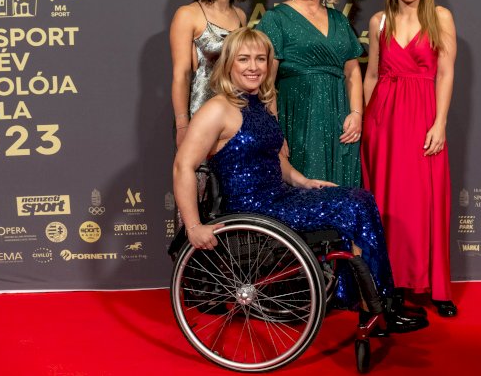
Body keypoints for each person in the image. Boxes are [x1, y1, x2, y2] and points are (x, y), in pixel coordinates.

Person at [173, 27, 427, 332]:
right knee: (353, 207)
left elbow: (275, 160)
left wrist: (304, 181)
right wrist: (193, 226)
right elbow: (183, 166)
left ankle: (375, 303)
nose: (254, 67)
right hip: (255, 209)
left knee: (359, 198)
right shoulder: (217, 109)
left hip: (279, 196)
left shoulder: (257, 104)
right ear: (228, 64)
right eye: (244, 59)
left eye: (260, 59)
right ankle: (376, 307)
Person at [361, 0, 458, 317]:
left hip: (423, 118)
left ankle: (436, 287)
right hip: (383, 122)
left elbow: (445, 73)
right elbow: (372, 75)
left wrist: (440, 122)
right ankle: (394, 284)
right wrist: (369, 123)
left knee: (424, 202)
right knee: (389, 203)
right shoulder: (379, 22)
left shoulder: (440, 17)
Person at [256, 0, 364, 187]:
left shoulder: (339, 20)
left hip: (341, 123)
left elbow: (352, 72)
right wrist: (274, 130)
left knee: (341, 195)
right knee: (305, 192)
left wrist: (356, 114)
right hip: (298, 119)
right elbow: (266, 81)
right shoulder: (276, 19)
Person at [170, 0, 247, 148]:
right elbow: (181, 75)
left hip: (236, 116)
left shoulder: (240, 16)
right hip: (200, 116)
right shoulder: (188, 14)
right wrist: (182, 125)